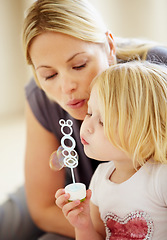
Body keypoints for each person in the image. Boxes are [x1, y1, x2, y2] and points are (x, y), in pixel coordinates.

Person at [0, 0, 167, 239]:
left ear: (109, 47)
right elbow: (43, 208)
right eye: (49, 74)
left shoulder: (156, 77)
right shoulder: (41, 97)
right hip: (72, 191)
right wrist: (91, 226)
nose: (67, 87)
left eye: (79, 65)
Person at [56, 61, 167, 240]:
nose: (87, 127)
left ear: (146, 132)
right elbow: (99, 236)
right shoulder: (100, 177)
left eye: (103, 122)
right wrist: (83, 226)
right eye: (90, 113)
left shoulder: (160, 178)